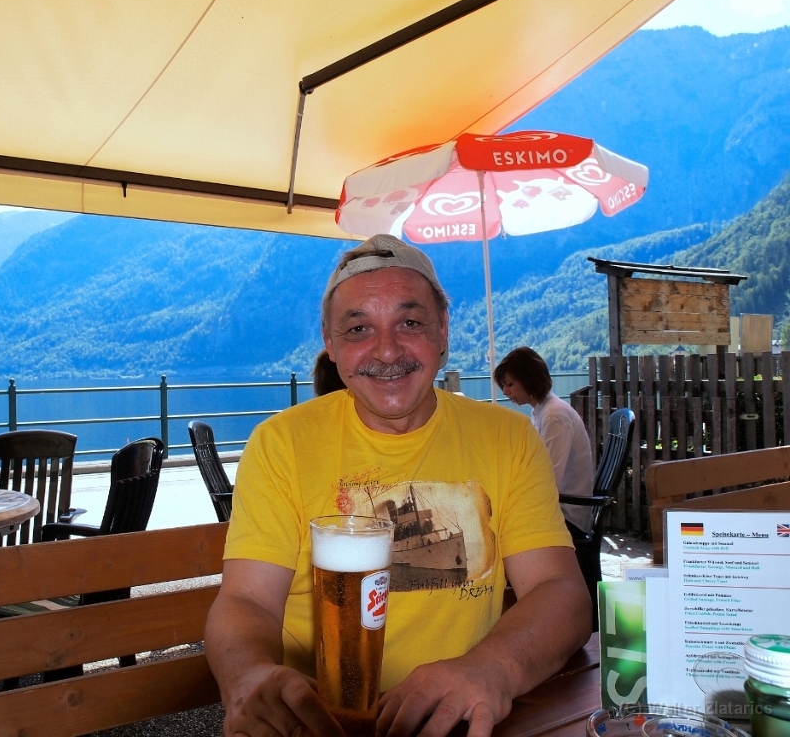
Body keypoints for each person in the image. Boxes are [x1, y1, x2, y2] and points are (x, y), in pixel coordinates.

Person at [204, 234, 591, 737]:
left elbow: (561, 592)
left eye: (410, 323)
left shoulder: (509, 438)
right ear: (330, 343)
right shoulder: (281, 444)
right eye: (358, 328)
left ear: (443, 330)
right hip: (319, 723)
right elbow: (247, 602)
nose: (387, 350)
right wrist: (248, 676)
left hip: (460, 717)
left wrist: (493, 669)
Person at [494, 347, 594, 535]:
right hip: (559, 508)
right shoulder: (543, 411)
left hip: (567, 517)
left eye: (509, 384)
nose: (505, 391)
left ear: (528, 379)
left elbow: (548, 478)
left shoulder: (554, 417)